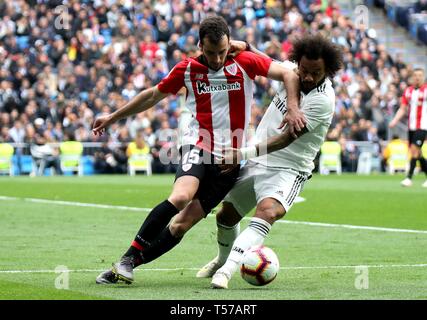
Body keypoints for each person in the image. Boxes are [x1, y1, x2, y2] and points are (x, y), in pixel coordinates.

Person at [93, 16, 305, 285]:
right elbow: (152, 95)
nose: (216, 59)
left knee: (181, 224)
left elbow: (288, 72)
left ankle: (128, 263)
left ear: (230, 43)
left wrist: (294, 108)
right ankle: (126, 260)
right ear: (200, 46)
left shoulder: (246, 62)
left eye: (222, 52)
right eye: (210, 52)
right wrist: (112, 117)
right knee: (181, 196)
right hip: (198, 144)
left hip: (230, 159)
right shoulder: (187, 69)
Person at [193, 34, 343, 289]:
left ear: (328, 70)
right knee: (225, 217)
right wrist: (249, 47)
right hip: (258, 159)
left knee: (267, 212)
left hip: (289, 168)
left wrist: (241, 154)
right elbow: (266, 61)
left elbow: (285, 139)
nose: (307, 77)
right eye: (303, 70)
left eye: (315, 73)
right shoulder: (292, 72)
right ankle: (221, 260)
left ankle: (226, 272)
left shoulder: (323, 101)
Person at [389, 68, 427, 187]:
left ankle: (409, 178)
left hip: (423, 125)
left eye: (420, 75)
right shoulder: (408, 91)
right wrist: (395, 120)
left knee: (415, 150)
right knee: (417, 153)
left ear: (423, 77)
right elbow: (403, 108)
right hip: (411, 126)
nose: (417, 77)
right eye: (415, 75)